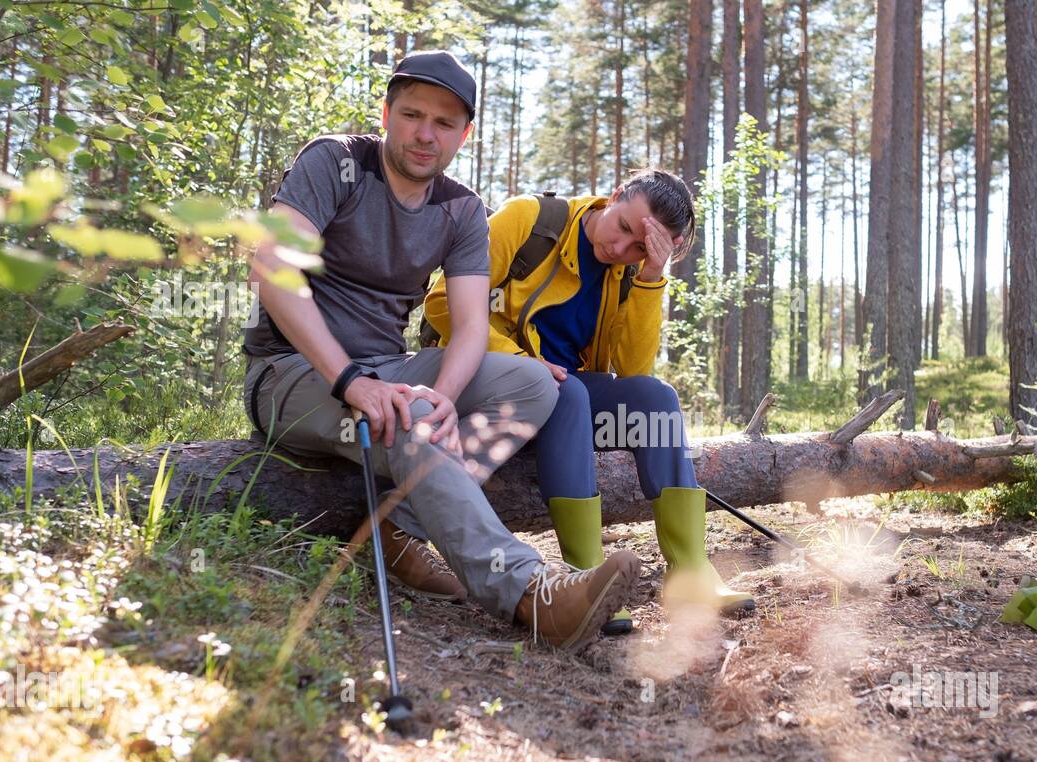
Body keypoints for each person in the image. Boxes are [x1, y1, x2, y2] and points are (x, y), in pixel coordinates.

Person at [241, 51, 639, 653]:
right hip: (291, 373)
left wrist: (445, 398)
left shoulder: (460, 208)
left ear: (464, 133)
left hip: (389, 368)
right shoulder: (335, 164)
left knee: (537, 385)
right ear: (386, 113)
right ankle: (528, 593)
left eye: (444, 124)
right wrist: (351, 382)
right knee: (410, 416)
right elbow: (271, 269)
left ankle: (397, 530)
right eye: (411, 115)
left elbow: (473, 327)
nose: (425, 134)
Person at [424, 169, 753, 634]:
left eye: (640, 247)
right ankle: (586, 577)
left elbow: (633, 371)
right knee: (569, 390)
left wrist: (652, 276)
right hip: (487, 383)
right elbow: (440, 304)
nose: (620, 250)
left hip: (566, 402)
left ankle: (692, 570)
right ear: (613, 196)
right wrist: (523, 363)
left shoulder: (626, 273)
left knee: (655, 399)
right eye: (622, 227)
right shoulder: (528, 220)